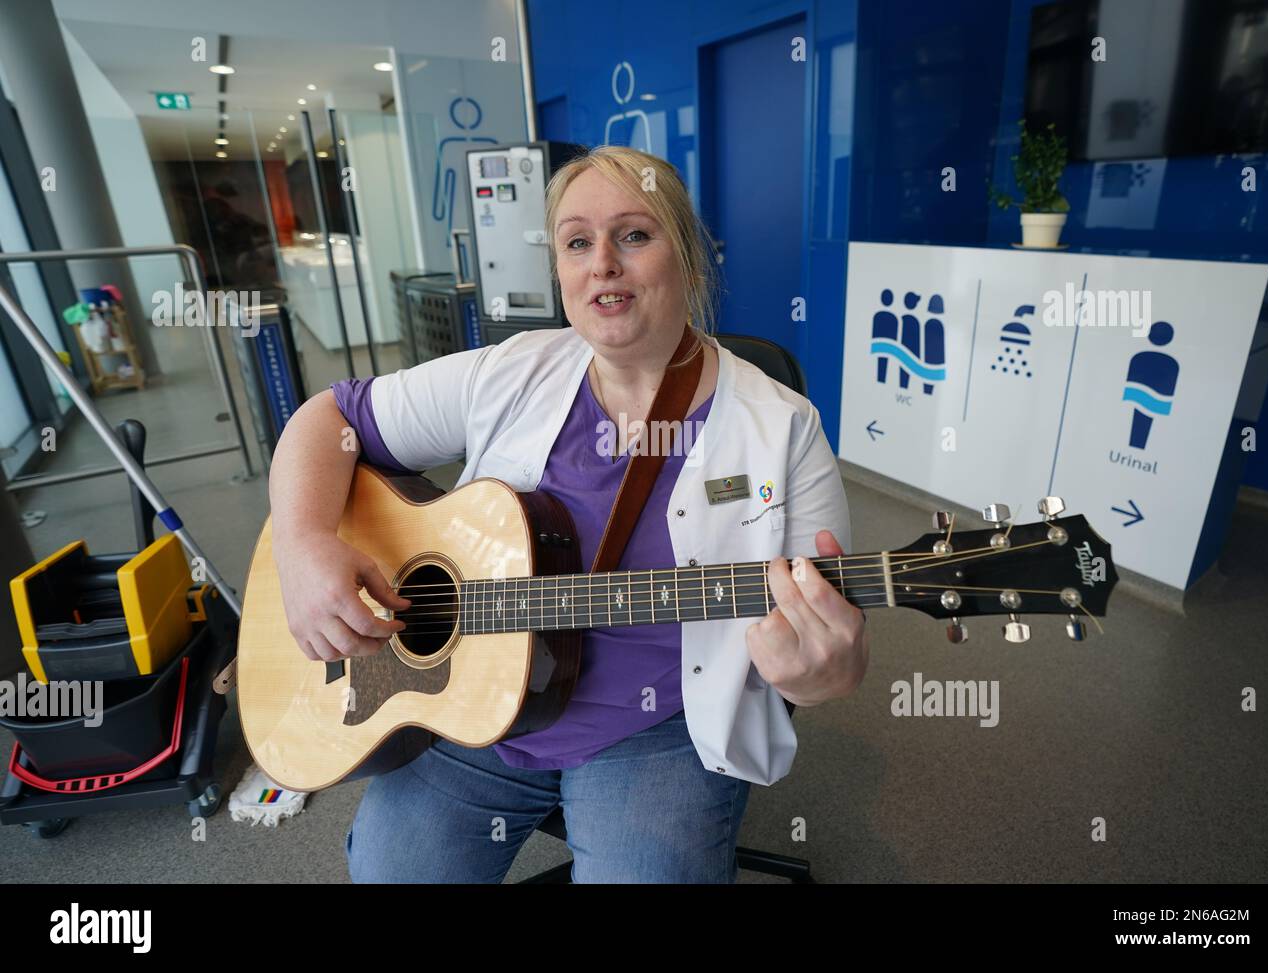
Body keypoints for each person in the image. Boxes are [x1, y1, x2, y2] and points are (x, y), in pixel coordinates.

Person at [267, 144, 869, 883]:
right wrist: (302, 544)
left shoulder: (783, 428)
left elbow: (823, 644)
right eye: (577, 242)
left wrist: (818, 674)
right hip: (469, 710)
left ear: (688, 256)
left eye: (635, 235)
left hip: (654, 730)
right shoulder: (511, 369)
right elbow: (328, 419)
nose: (603, 264)